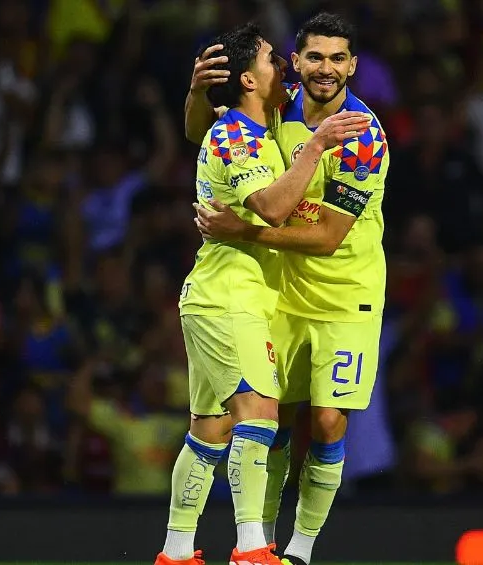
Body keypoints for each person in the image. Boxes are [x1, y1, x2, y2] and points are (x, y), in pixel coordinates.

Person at [155, 23, 369, 565]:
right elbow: (272, 208)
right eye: (282, 59)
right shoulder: (242, 133)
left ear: (352, 65)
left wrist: (201, 94)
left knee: (209, 430)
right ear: (255, 78)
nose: (304, 70)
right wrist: (314, 147)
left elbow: (325, 235)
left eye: (336, 58)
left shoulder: (284, 119)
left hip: (257, 292)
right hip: (234, 295)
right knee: (259, 417)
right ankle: (252, 549)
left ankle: (175, 552)